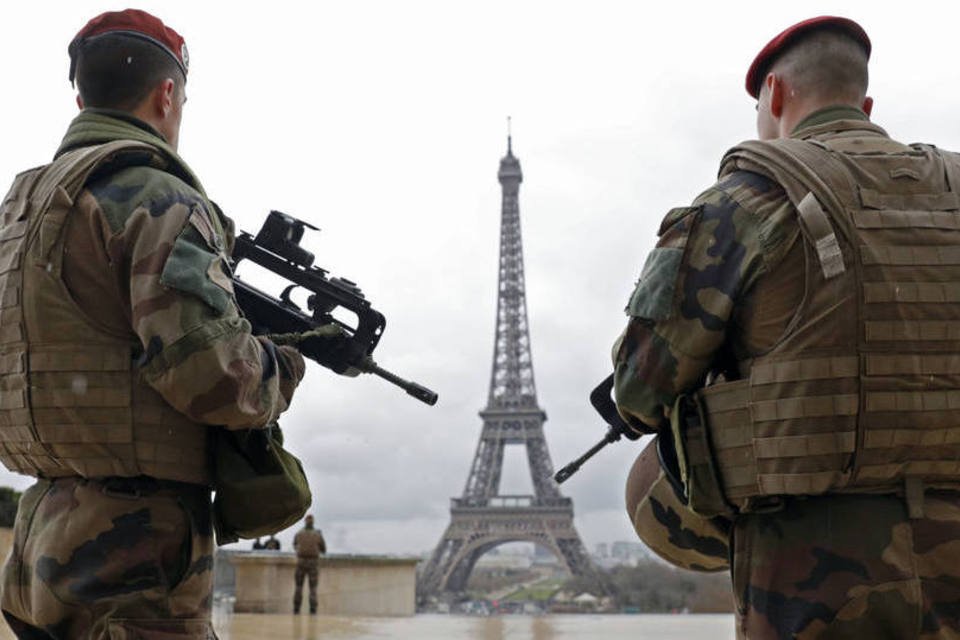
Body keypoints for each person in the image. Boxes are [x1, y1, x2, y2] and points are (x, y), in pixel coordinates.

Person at [613, 16, 960, 639]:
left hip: (811, 564)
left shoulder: (742, 203)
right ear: (867, 104)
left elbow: (640, 392)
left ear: (774, 95)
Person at [0, 9, 311, 639]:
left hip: (42, 536)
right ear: (167, 94)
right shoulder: (157, 197)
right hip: (135, 551)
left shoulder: (19, 212)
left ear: (81, 94)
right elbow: (214, 378)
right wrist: (284, 361)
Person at [292, 514, 326, 614]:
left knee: (298, 587)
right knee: (313, 588)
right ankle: (313, 610)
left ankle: (296, 609)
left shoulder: (299, 533)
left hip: (301, 562)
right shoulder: (317, 534)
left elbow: (295, 545)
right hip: (313, 563)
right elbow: (323, 549)